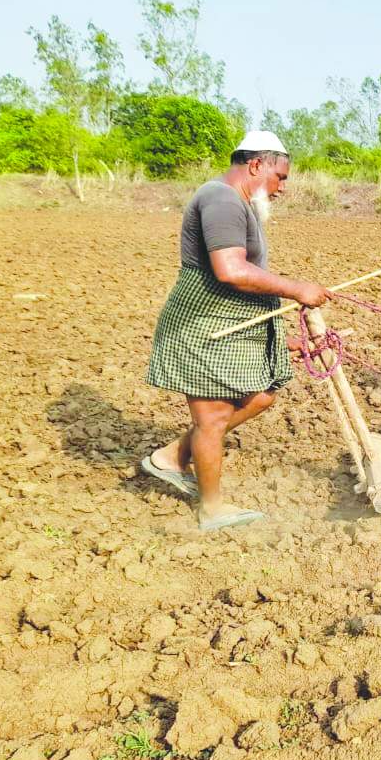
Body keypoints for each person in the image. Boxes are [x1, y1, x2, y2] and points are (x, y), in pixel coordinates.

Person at [143, 131, 331, 531]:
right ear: (256, 165)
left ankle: (173, 455)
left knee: (262, 395)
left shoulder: (238, 201)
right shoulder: (222, 200)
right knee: (212, 418)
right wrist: (297, 288)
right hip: (203, 324)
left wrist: (283, 341)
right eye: (281, 177)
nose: (282, 187)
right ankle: (211, 509)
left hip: (228, 322)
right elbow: (230, 271)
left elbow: (243, 280)